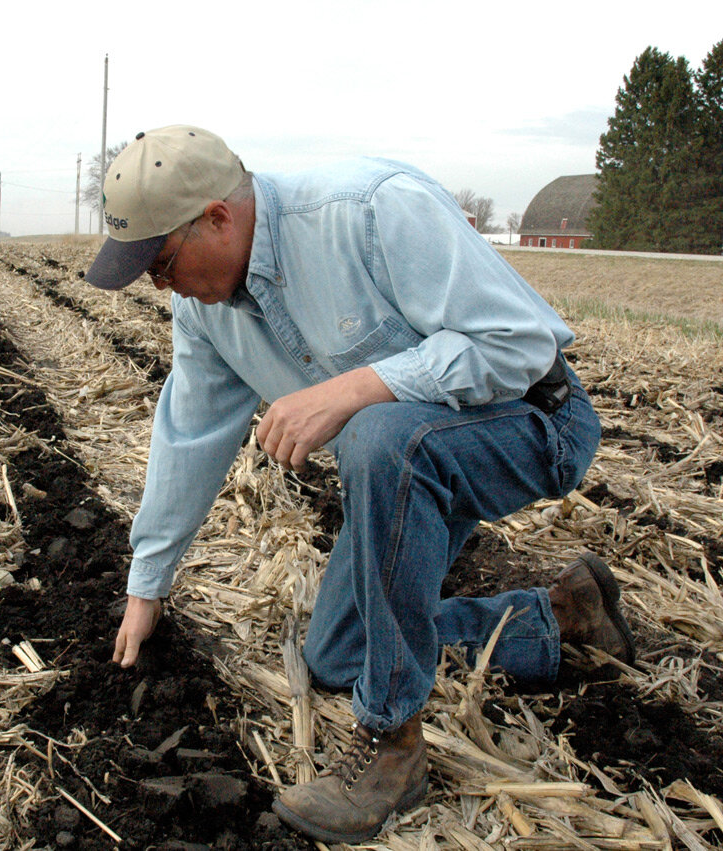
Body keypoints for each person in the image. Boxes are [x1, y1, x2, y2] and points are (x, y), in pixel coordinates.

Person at [83, 125, 636, 844]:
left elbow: (519, 347)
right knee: (338, 655)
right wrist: (147, 584)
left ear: (217, 217)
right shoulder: (205, 311)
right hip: (420, 458)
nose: (160, 286)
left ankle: (392, 749)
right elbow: (188, 437)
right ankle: (559, 616)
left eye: (161, 262)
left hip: (534, 421)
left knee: (378, 433)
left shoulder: (371, 210)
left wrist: (356, 389)